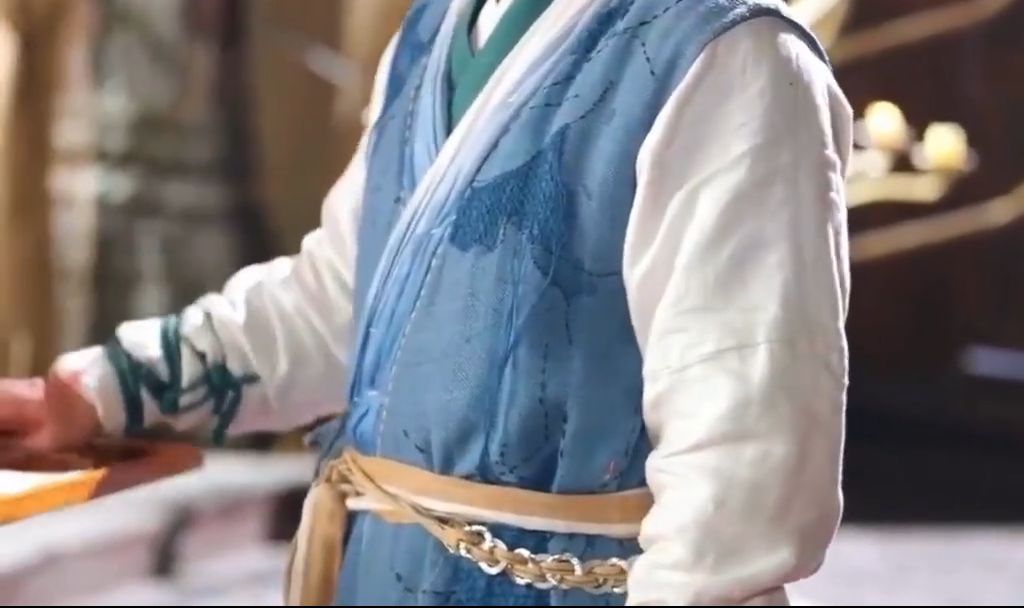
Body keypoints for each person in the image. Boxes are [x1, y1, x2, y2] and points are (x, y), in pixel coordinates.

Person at [0, 0, 853, 605]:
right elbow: (344, 303)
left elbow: (745, 477)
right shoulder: (436, 27)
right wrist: (103, 392)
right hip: (381, 572)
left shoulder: (733, 60)